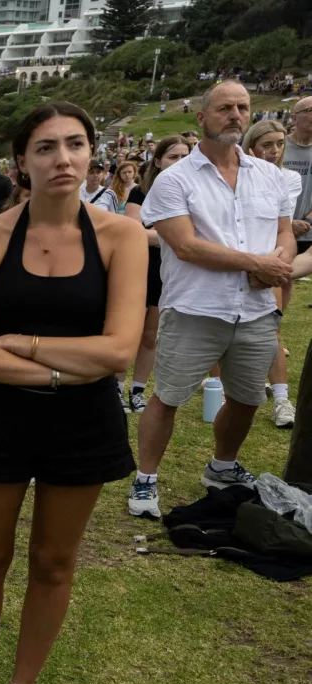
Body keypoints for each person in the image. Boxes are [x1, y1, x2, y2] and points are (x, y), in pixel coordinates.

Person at [0, 102, 146, 684]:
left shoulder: (121, 237)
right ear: (22, 162)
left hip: (83, 424)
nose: (63, 158)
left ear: (91, 154)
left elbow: (119, 351)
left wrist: (26, 345)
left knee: (54, 563)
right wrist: (67, 368)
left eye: (75, 144)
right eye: (46, 147)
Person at [134, 81, 296, 520]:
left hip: (256, 311)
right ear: (202, 117)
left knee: (247, 398)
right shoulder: (174, 180)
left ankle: (222, 466)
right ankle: (145, 478)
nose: (236, 114)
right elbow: (186, 246)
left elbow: (285, 232)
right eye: (225, 107)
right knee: (167, 397)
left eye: (242, 106)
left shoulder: (270, 176)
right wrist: (257, 264)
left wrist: (278, 263)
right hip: (196, 308)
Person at [122, 136, 190, 415]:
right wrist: (175, 237)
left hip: (170, 269)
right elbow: (132, 231)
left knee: (152, 336)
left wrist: (159, 235)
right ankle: (115, 387)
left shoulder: (192, 193)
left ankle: (138, 390)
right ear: (158, 161)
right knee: (128, 332)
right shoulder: (140, 192)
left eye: (185, 156)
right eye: (174, 157)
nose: (180, 162)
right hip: (139, 266)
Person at [243, 118, 303, 429]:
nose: (275, 150)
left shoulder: (288, 178)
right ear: (251, 146)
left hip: (269, 260)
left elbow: (283, 228)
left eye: (280, 144)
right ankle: (221, 389)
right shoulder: (233, 176)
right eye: (267, 145)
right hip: (235, 260)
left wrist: (272, 267)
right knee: (219, 330)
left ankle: (282, 400)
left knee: (272, 331)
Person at [282, 97, 312, 254]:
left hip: (308, 231)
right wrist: (288, 223)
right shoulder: (277, 147)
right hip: (278, 232)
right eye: (310, 110)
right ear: (294, 119)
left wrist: (308, 221)